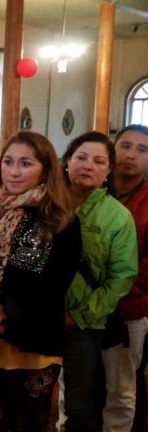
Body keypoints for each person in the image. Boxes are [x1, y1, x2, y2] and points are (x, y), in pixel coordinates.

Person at [0, 131, 82, 431]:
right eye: (8, 162)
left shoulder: (60, 220)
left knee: (27, 424)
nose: (13, 171)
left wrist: (1, 314)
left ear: (46, 170)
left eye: (25, 163)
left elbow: (53, 286)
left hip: (31, 340)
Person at [60, 131, 137, 432]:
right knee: (36, 387)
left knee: (79, 400)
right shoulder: (44, 203)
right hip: (41, 316)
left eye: (98, 161)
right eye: (81, 157)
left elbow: (121, 278)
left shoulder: (117, 216)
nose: (88, 165)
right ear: (67, 161)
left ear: (108, 171)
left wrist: (78, 317)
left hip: (83, 322)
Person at [103, 125, 148, 431]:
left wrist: (114, 290)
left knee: (120, 388)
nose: (131, 155)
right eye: (126, 146)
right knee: (78, 381)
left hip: (129, 305)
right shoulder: (95, 189)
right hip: (81, 307)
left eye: (142, 150)